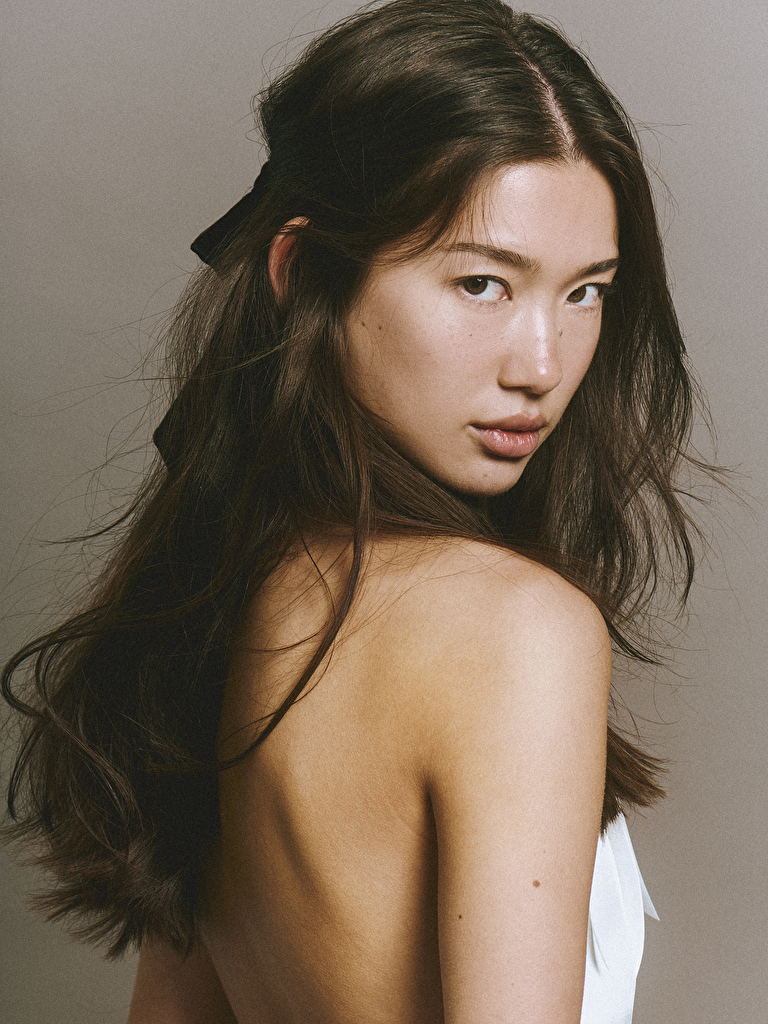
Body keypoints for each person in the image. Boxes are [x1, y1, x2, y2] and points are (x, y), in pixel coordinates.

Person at [2, 1, 711, 1021]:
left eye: (585, 292)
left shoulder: (212, 605)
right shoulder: (519, 629)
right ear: (302, 273)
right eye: (482, 283)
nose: (543, 364)